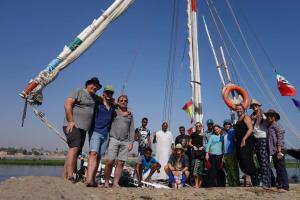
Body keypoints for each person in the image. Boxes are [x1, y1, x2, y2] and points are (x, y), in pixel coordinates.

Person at [62, 77, 101, 183]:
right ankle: (70, 175)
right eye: (93, 85)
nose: (95, 87)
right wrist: (70, 121)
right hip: (74, 125)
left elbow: (105, 99)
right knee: (74, 148)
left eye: (97, 86)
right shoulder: (78, 91)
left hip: (83, 129)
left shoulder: (94, 97)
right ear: (87, 84)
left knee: (75, 151)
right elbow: (67, 104)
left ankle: (64, 176)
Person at [85, 85, 116, 187]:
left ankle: (93, 179)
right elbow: (91, 95)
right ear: (103, 93)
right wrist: (99, 97)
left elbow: (122, 107)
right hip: (95, 132)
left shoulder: (112, 107)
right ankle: (89, 179)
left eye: (110, 93)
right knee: (93, 154)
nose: (109, 94)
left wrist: (129, 111)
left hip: (105, 135)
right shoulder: (97, 103)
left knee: (98, 157)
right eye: (107, 92)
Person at [103, 95, 135, 187]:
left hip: (125, 141)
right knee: (110, 161)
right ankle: (106, 181)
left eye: (125, 101)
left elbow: (132, 130)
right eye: (121, 100)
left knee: (121, 162)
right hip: (113, 139)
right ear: (118, 101)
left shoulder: (130, 115)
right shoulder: (114, 111)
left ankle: (115, 182)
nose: (123, 102)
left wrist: (131, 142)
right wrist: (117, 104)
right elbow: (109, 101)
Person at [265, 109, 289, 192]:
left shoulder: (277, 125)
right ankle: (280, 185)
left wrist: (279, 150)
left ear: (274, 117)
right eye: (268, 116)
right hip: (274, 150)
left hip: (279, 149)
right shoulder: (269, 126)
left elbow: (280, 137)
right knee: (277, 167)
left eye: (271, 116)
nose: (269, 117)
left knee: (281, 168)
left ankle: (285, 187)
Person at [249, 99, 271, 190]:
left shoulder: (263, 114)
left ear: (259, 106)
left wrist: (262, 117)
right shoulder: (251, 116)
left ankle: (267, 182)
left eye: (255, 105)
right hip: (256, 139)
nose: (254, 107)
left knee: (264, 160)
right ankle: (268, 181)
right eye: (253, 106)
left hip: (263, 138)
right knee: (260, 160)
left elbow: (269, 123)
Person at [233, 104, 256, 187]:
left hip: (246, 141)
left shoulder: (246, 117)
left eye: (240, 109)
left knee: (245, 158)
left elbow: (250, 129)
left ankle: (249, 180)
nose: (238, 110)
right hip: (239, 141)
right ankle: (248, 178)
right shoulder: (238, 119)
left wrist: (244, 139)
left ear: (243, 109)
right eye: (237, 109)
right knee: (240, 159)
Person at [223, 119, 240, 187]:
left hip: (233, 153)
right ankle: (231, 184)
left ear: (230, 125)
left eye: (228, 124)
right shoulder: (224, 133)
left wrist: (235, 152)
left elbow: (236, 142)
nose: (227, 125)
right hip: (226, 154)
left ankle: (236, 184)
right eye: (225, 124)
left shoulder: (233, 132)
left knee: (234, 169)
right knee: (228, 170)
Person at [189, 122, 205, 188]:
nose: (198, 127)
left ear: (201, 127)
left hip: (202, 154)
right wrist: (193, 146)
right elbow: (189, 143)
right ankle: (196, 184)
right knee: (195, 170)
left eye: (199, 126)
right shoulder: (193, 134)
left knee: (200, 171)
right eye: (196, 126)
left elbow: (207, 143)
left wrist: (203, 147)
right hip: (194, 154)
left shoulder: (204, 135)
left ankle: (199, 184)